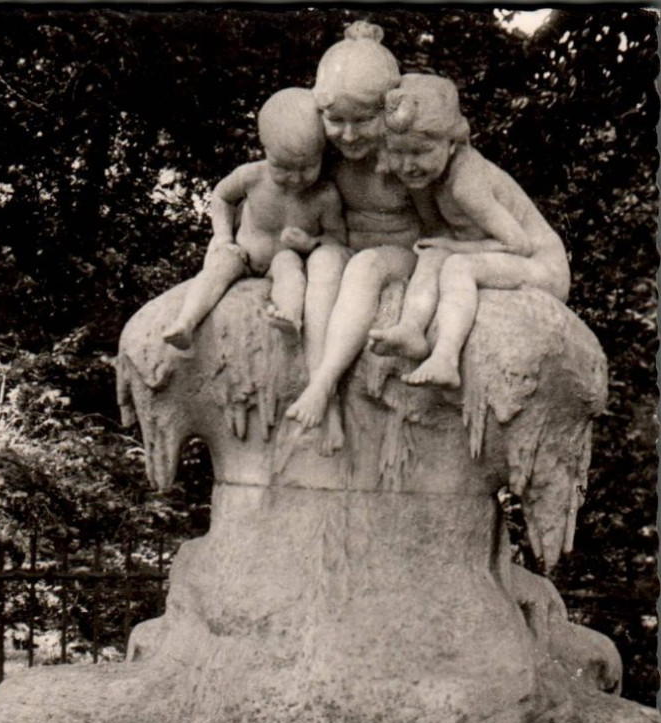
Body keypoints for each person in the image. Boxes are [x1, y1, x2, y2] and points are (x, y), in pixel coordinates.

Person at [285, 23, 440, 444]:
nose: (348, 135)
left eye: (363, 121)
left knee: (367, 266)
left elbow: (435, 225)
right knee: (323, 262)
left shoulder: (402, 159)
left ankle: (322, 384)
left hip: (400, 253)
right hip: (348, 245)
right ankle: (326, 401)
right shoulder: (327, 158)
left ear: (387, 113)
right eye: (336, 121)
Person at [368, 73, 571, 389]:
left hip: (542, 267)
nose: (407, 165)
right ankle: (411, 328)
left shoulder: (467, 184)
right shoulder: (427, 179)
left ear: (452, 143)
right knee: (436, 255)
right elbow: (436, 234)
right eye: (398, 152)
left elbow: (518, 244)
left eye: (420, 152)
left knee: (457, 264)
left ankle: (446, 357)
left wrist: (454, 250)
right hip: (501, 256)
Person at [162, 87, 346, 352]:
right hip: (244, 254)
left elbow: (338, 239)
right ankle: (185, 322)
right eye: (283, 168)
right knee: (221, 265)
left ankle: (289, 316)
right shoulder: (252, 177)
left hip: (282, 261)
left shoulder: (325, 195)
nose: (295, 178)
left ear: (321, 153)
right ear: (266, 150)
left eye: (306, 168)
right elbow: (222, 198)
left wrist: (310, 243)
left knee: (289, 268)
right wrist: (223, 237)